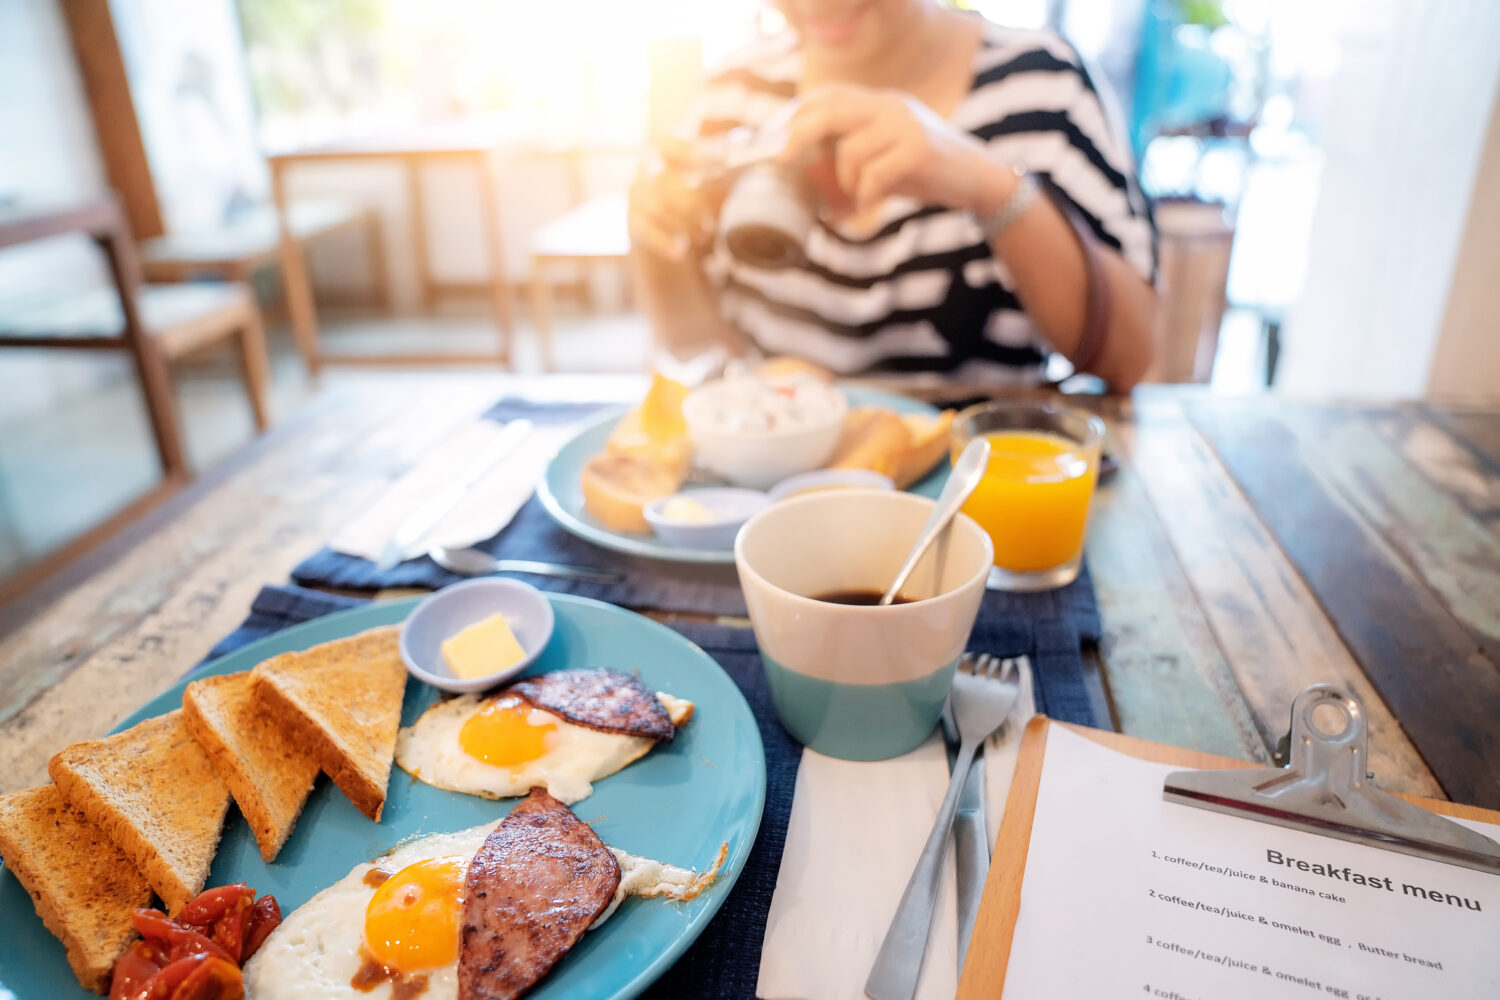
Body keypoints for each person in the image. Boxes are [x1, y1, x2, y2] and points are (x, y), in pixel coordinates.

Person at [629, 0, 1157, 391]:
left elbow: (1128, 357)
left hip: (979, 491)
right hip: (777, 501)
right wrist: (659, 240)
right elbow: (690, 348)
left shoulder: (1043, 84)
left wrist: (990, 186)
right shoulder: (732, 93)